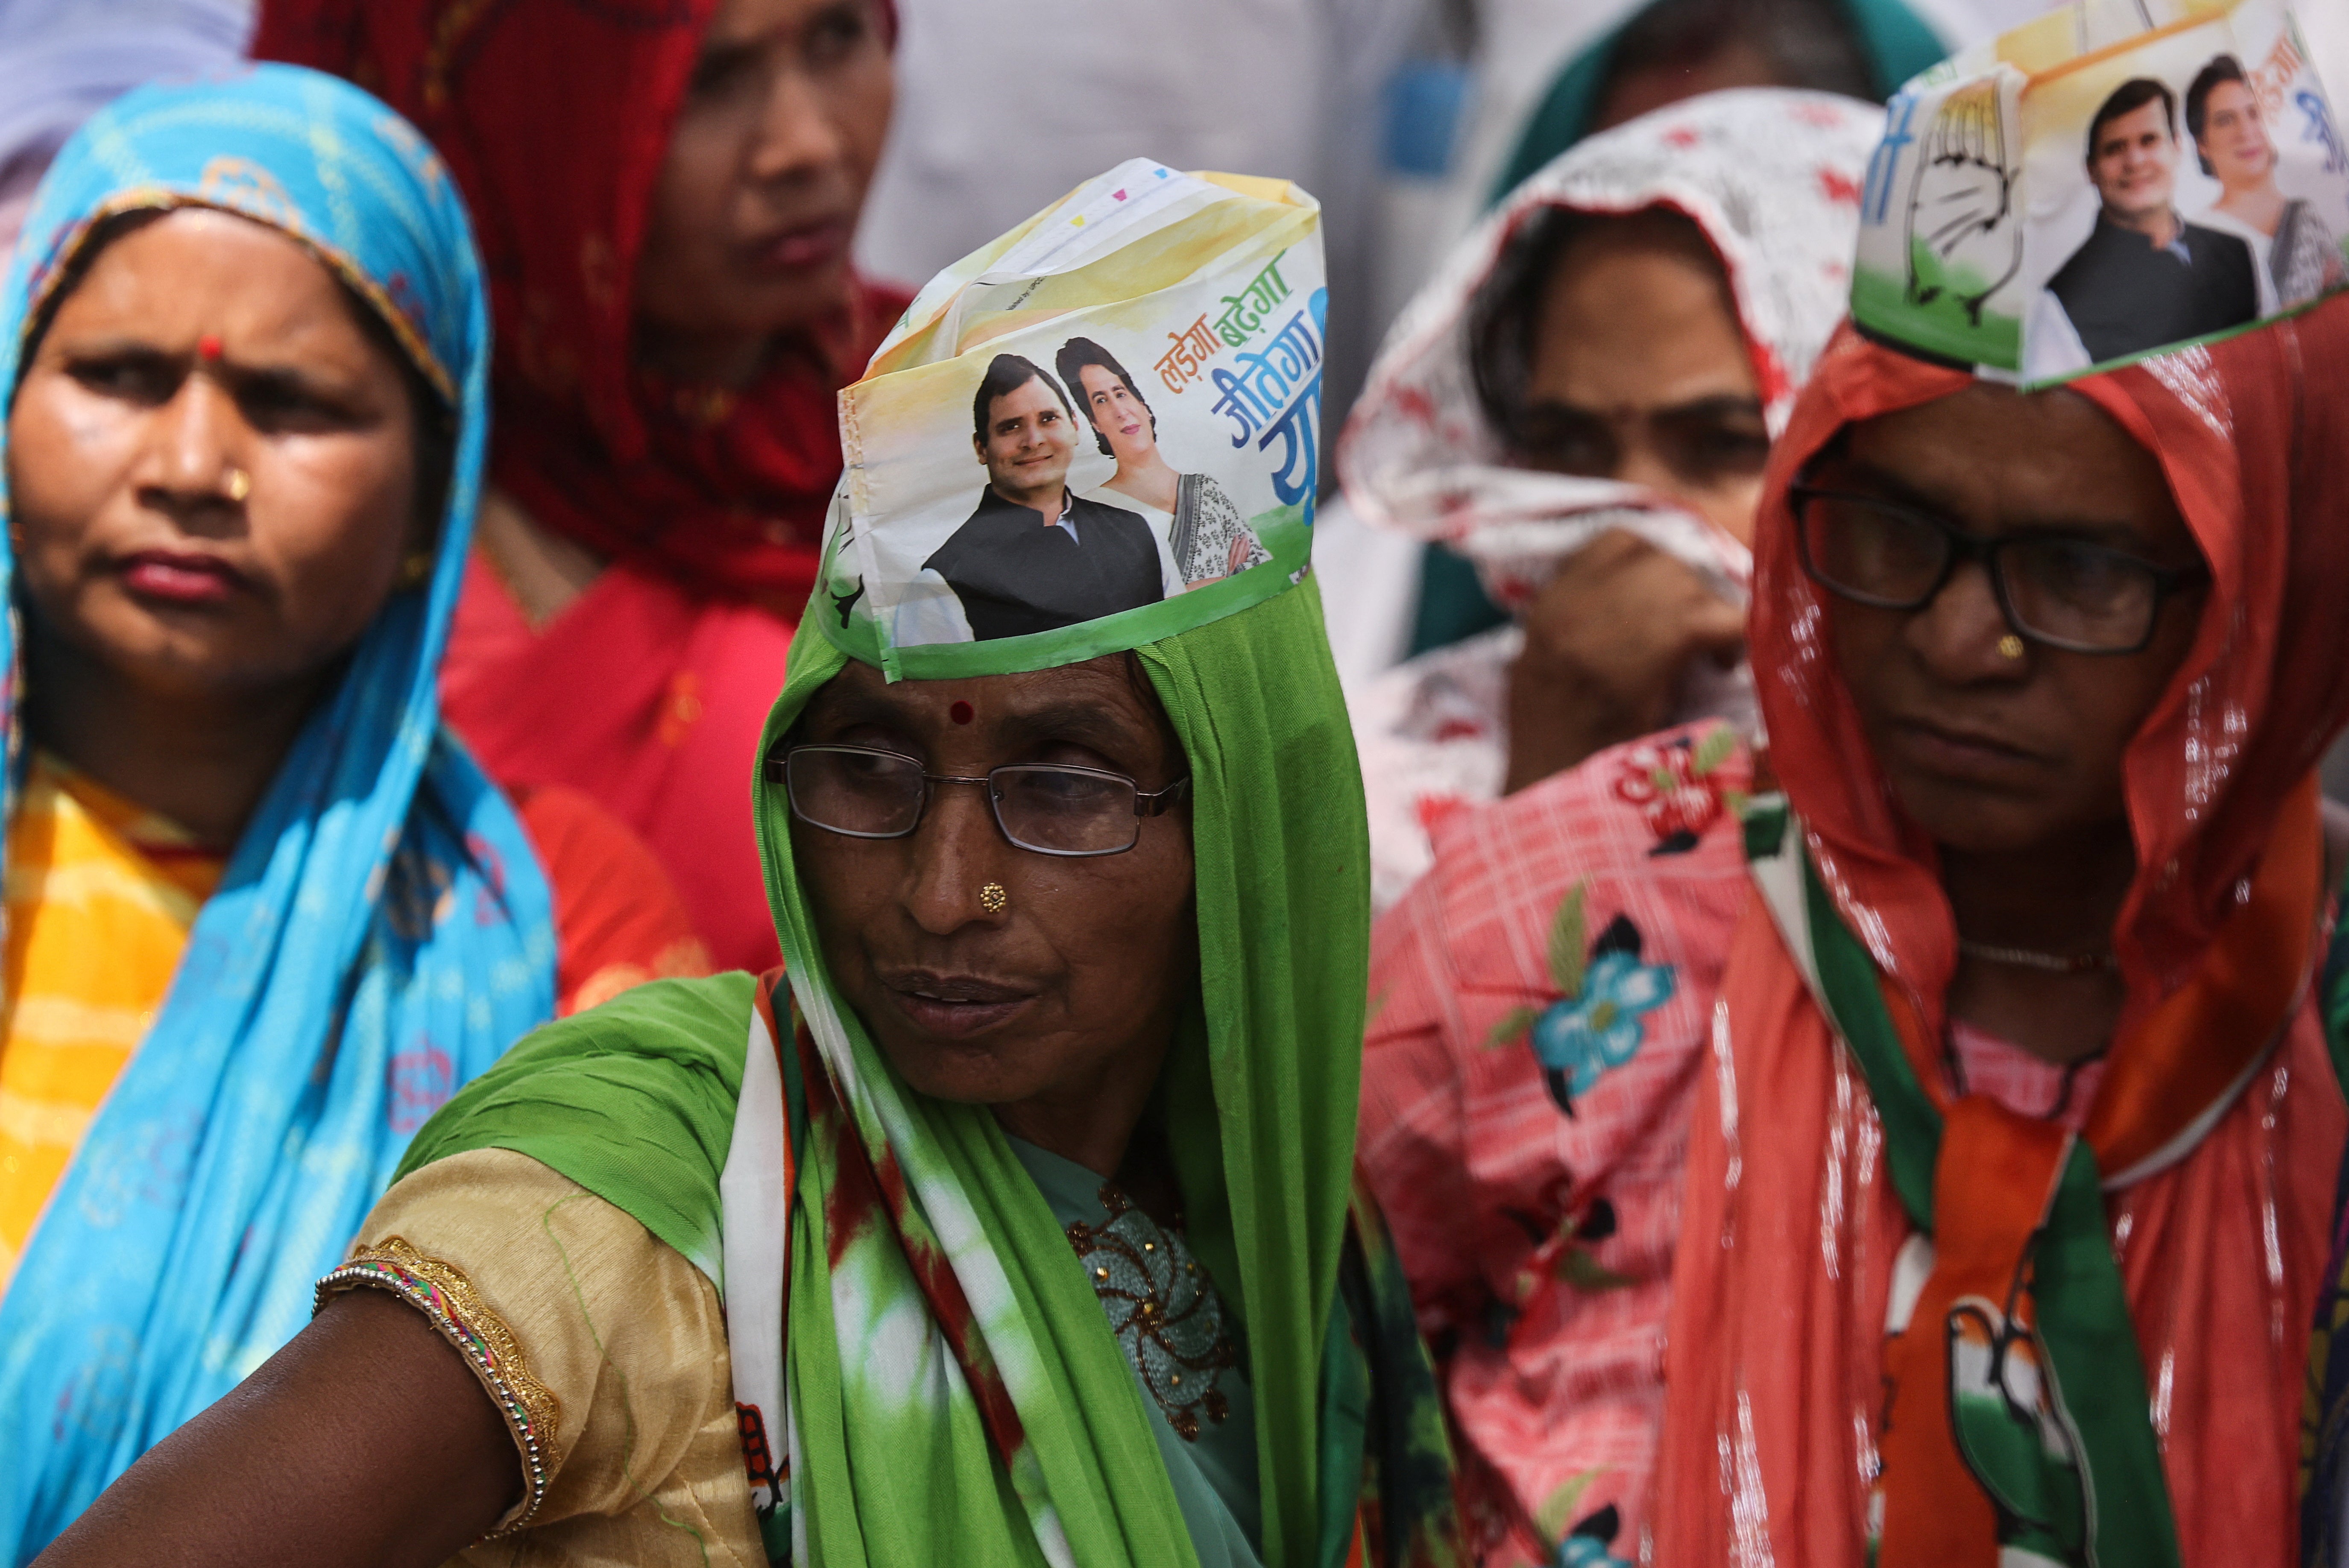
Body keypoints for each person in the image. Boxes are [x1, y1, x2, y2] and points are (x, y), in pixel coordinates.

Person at [27, 451, 1463, 1564]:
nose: (939, 890)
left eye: (1066, 784)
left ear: (1247, 817)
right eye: (864, 766)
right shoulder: (659, 1181)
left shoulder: (1299, 1231)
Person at [1362, 175, 2349, 1568]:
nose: (1958, 641)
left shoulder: (2327, 1010)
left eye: (2077, 570)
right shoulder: (1580, 912)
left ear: (2271, 608)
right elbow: (1276, 1369)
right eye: (1898, 529)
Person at [0, 65, 711, 1561]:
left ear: (432, 493)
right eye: (121, 376)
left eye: (296, 404)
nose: (192, 467)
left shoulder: (556, 918)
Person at [253, 0, 909, 974]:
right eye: (709, 81)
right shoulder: (349, 543)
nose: (806, 145)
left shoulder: (988, 418)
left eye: (838, 37)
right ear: (493, 111)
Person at [1336, 89, 1883, 912]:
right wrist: (1552, 782)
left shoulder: (1976, 777)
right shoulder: (1383, 793)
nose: (1634, 515)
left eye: (1725, 444)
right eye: (1571, 448)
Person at [921, 353, 1167, 641]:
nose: (1034, 440)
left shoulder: (1138, 530)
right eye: (1011, 427)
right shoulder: (943, 582)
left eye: (1049, 419)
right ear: (981, 448)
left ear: (1075, 427)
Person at [2038, 77, 2259, 370]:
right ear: (2091, 170)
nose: (2135, 161)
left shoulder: (2236, 253)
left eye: (2149, 140)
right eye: (2115, 149)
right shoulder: (2061, 304)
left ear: (2177, 147)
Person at [1054, 336, 1270, 592]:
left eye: (1121, 394)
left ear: (1143, 405)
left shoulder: (1205, 491)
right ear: (1095, 423)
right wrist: (1221, 580)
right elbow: (1116, 606)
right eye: (1101, 400)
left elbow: (1269, 574)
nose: (1120, 411)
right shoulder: (1092, 514)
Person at [2187, 52, 2347, 313]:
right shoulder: (2201, 241)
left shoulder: (2305, 214)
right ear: (2202, 144)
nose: (2246, 131)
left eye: (2253, 114)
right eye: (2226, 120)